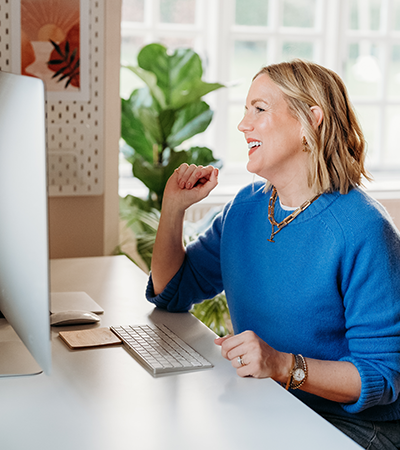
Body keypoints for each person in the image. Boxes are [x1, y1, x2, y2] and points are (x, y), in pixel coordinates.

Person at [145, 59, 400, 450]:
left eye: (259, 109)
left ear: (309, 120)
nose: (243, 125)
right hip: (271, 402)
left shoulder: (362, 229)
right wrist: (173, 209)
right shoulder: (244, 209)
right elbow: (173, 290)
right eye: (245, 110)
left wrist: (283, 365)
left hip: (354, 428)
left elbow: (384, 375)